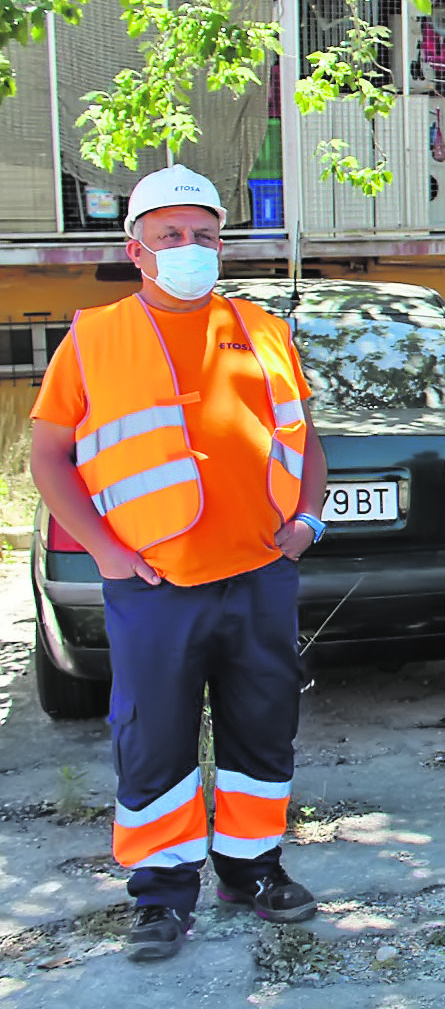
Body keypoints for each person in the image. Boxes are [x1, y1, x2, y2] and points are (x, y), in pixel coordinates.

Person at [28, 164, 330, 963]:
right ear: (138, 248)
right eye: (171, 236)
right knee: (153, 735)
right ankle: (161, 896)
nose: (190, 248)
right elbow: (49, 455)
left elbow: (305, 439)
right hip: (153, 584)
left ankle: (251, 868)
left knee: (263, 728)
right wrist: (106, 550)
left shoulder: (263, 330)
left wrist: (306, 521)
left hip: (261, 574)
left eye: (204, 234)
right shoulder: (95, 336)